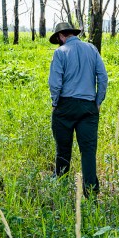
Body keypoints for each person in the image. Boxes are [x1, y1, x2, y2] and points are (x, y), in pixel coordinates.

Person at [47, 21, 108, 197]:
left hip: (65, 106)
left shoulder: (60, 52)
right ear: (73, 33)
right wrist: (97, 101)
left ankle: (60, 185)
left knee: (63, 148)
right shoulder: (92, 49)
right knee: (88, 151)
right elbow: (103, 78)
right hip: (89, 107)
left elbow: (55, 82)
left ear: (60, 36)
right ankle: (90, 193)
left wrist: (55, 102)